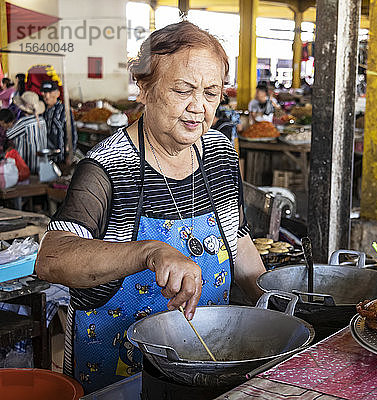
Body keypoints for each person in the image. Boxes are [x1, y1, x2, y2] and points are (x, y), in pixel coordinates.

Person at [35, 22, 266, 393]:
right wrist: (149, 252)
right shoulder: (108, 169)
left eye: (211, 92)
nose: (198, 107)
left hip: (205, 362)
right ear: (144, 88)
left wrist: (278, 309)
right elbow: (52, 258)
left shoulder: (220, 153)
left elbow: (235, 241)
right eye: (182, 90)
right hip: (120, 375)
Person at [5, 91, 47, 173]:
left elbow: (9, 134)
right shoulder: (42, 120)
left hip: (27, 165)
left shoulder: (24, 122)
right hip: (41, 165)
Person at [41, 80, 77, 162]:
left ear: (57, 94)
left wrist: (70, 155)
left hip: (61, 158)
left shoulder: (64, 110)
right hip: (46, 157)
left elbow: (71, 134)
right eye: (44, 92)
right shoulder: (42, 111)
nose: (47, 96)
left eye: (50, 93)